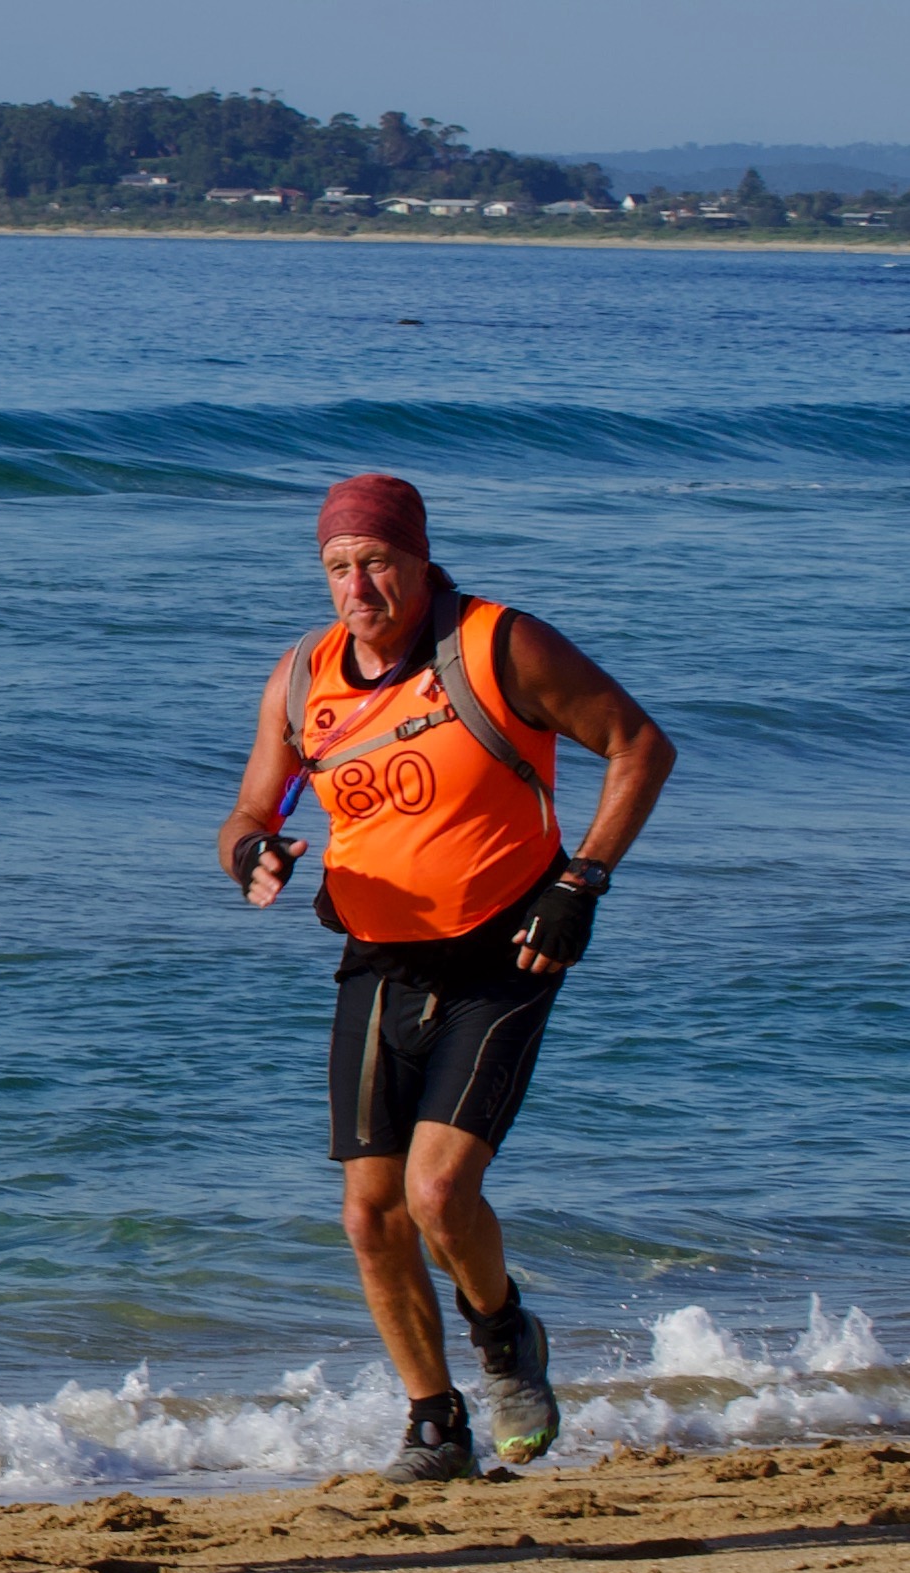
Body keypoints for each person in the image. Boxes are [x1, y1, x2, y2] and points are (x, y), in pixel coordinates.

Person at [218, 474, 675, 1485]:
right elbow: (250, 808)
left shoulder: (497, 646)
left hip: (505, 951)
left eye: (376, 561)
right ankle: (434, 1421)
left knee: (435, 1191)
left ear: (419, 559)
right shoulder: (304, 675)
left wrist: (582, 878)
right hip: (378, 959)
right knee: (367, 1214)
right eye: (338, 566)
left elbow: (639, 745)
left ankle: (504, 1338)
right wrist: (252, 854)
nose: (358, 586)